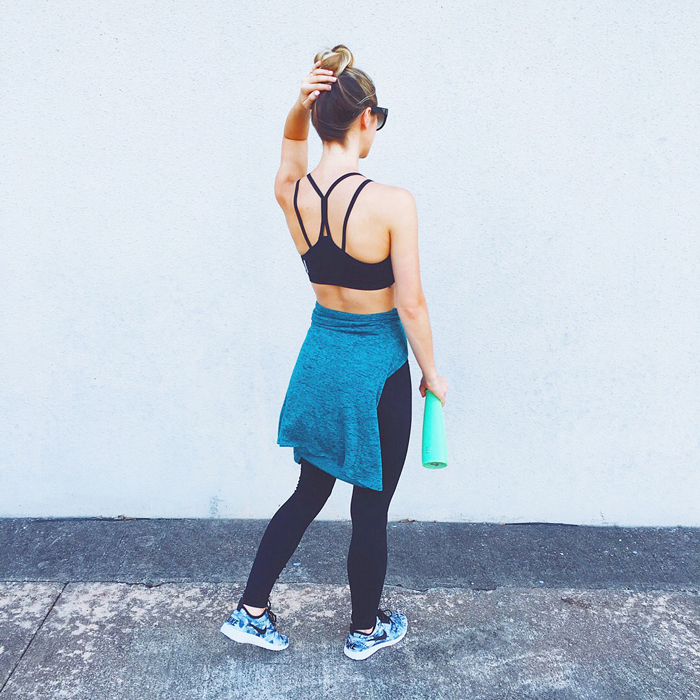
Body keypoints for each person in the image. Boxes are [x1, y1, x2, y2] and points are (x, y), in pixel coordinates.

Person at [220, 44, 448, 660]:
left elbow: (291, 149)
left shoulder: (290, 192)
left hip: (320, 359)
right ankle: (364, 630)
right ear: (367, 117)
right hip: (377, 368)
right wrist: (433, 374)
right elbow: (411, 304)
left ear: (319, 116)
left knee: (308, 492)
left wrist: (299, 104)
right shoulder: (393, 202)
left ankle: (251, 611)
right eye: (379, 119)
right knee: (370, 505)